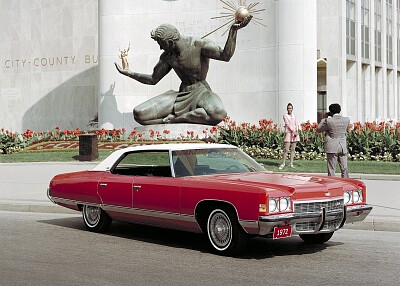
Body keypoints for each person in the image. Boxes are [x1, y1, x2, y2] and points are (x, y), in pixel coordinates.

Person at [114, 17, 252, 126]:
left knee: (218, 113)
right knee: (139, 114)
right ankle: (175, 118)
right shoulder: (167, 57)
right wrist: (128, 73)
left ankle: (175, 119)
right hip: (181, 95)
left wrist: (233, 31)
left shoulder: (197, 44)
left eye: (160, 44)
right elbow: (152, 79)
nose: (160, 48)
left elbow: (225, 56)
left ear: (169, 42)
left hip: (201, 92)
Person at [317, 103, 350, 178]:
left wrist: (324, 118)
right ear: (340, 110)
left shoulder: (328, 121)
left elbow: (319, 129)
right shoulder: (346, 120)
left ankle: (333, 186)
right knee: (344, 168)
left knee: (331, 169)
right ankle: (346, 184)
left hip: (332, 146)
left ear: (330, 111)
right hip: (342, 146)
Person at [279, 103, 300, 169]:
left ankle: (291, 163)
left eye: (290, 108)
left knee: (293, 149)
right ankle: (283, 163)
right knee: (286, 149)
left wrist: (296, 131)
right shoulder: (285, 116)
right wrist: (293, 131)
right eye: (288, 108)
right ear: (287, 109)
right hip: (289, 133)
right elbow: (287, 124)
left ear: (292, 109)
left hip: (295, 134)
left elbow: (296, 124)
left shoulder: (295, 116)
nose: (289, 109)